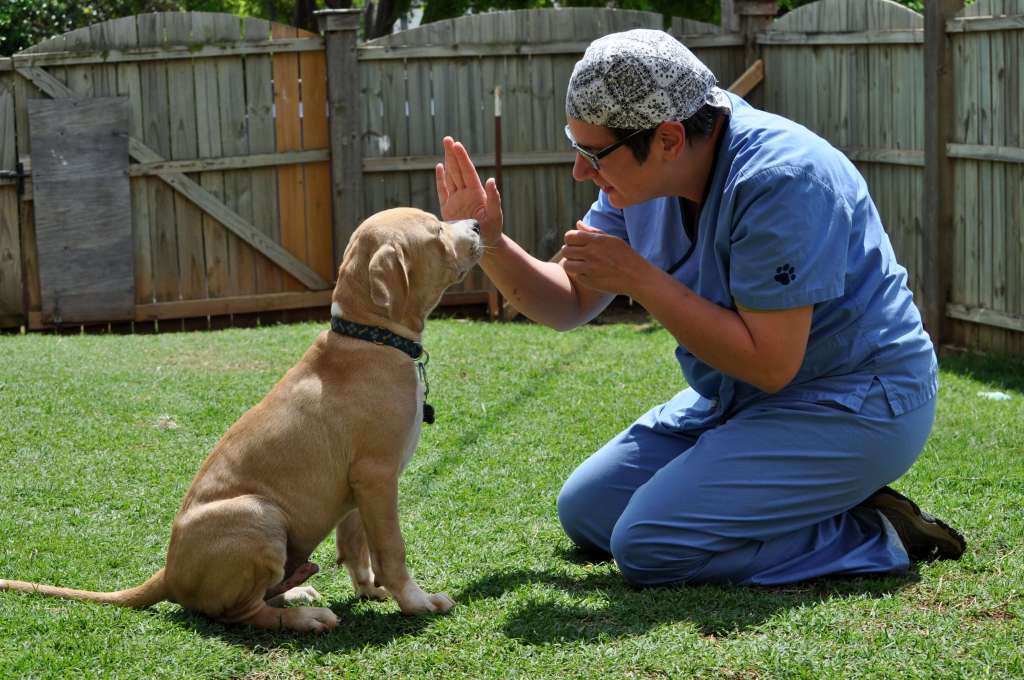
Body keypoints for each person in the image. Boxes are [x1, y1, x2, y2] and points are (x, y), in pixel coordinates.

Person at [434, 29, 965, 586]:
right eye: (576, 146)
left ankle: (876, 533)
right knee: (588, 512)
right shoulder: (644, 176)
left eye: (593, 154)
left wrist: (642, 279)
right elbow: (568, 301)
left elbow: (771, 363)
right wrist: (485, 239)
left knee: (649, 545)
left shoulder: (782, 179)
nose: (580, 171)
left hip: (854, 401)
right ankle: (799, 504)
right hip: (746, 396)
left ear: (667, 139)